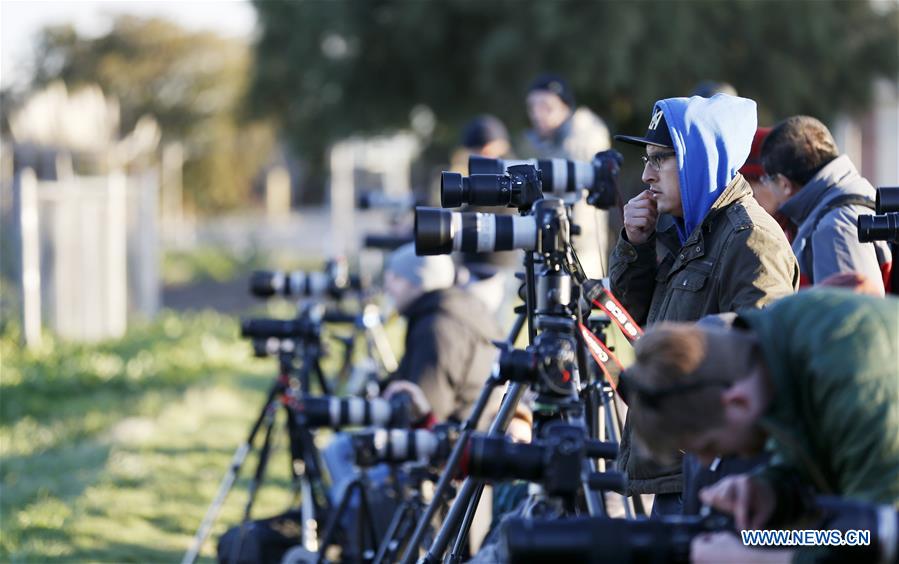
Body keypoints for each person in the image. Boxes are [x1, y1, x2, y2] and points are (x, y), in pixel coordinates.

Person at [608, 94, 799, 516]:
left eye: (660, 159)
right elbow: (631, 328)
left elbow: (761, 368)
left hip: (716, 475)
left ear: (701, 158)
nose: (645, 175)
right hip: (683, 469)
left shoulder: (751, 239)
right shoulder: (680, 230)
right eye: (647, 159)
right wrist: (634, 247)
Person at [623, 289, 899, 563]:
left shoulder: (853, 377)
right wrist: (772, 491)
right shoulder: (784, 347)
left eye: (710, 446)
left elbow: (878, 536)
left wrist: (759, 558)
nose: (706, 462)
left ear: (738, 403)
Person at [760, 115, 892, 293]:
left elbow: (850, 314)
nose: (766, 186)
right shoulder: (854, 196)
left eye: (766, 179)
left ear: (784, 184)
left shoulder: (835, 229)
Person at [519, 73, 611, 279]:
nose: (537, 114)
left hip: (579, 255)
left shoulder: (583, 138)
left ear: (566, 107)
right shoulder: (550, 141)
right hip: (559, 248)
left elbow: (580, 206)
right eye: (532, 107)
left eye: (546, 107)